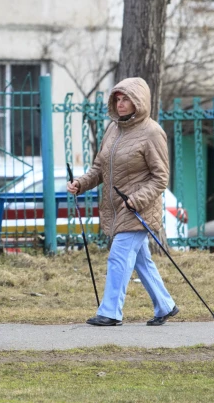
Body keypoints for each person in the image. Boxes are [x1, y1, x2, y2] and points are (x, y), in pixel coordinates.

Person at [67, 77, 178, 327]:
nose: (120, 104)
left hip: (137, 209)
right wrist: (81, 183)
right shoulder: (113, 129)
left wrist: (136, 200)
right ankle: (165, 305)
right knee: (141, 261)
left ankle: (111, 312)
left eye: (126, 98)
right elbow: (99, 168)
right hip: (116, 208)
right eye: (117, 99)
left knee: (118, 256)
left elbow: (161, 178)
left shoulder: (152, 132)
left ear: (138, 101)